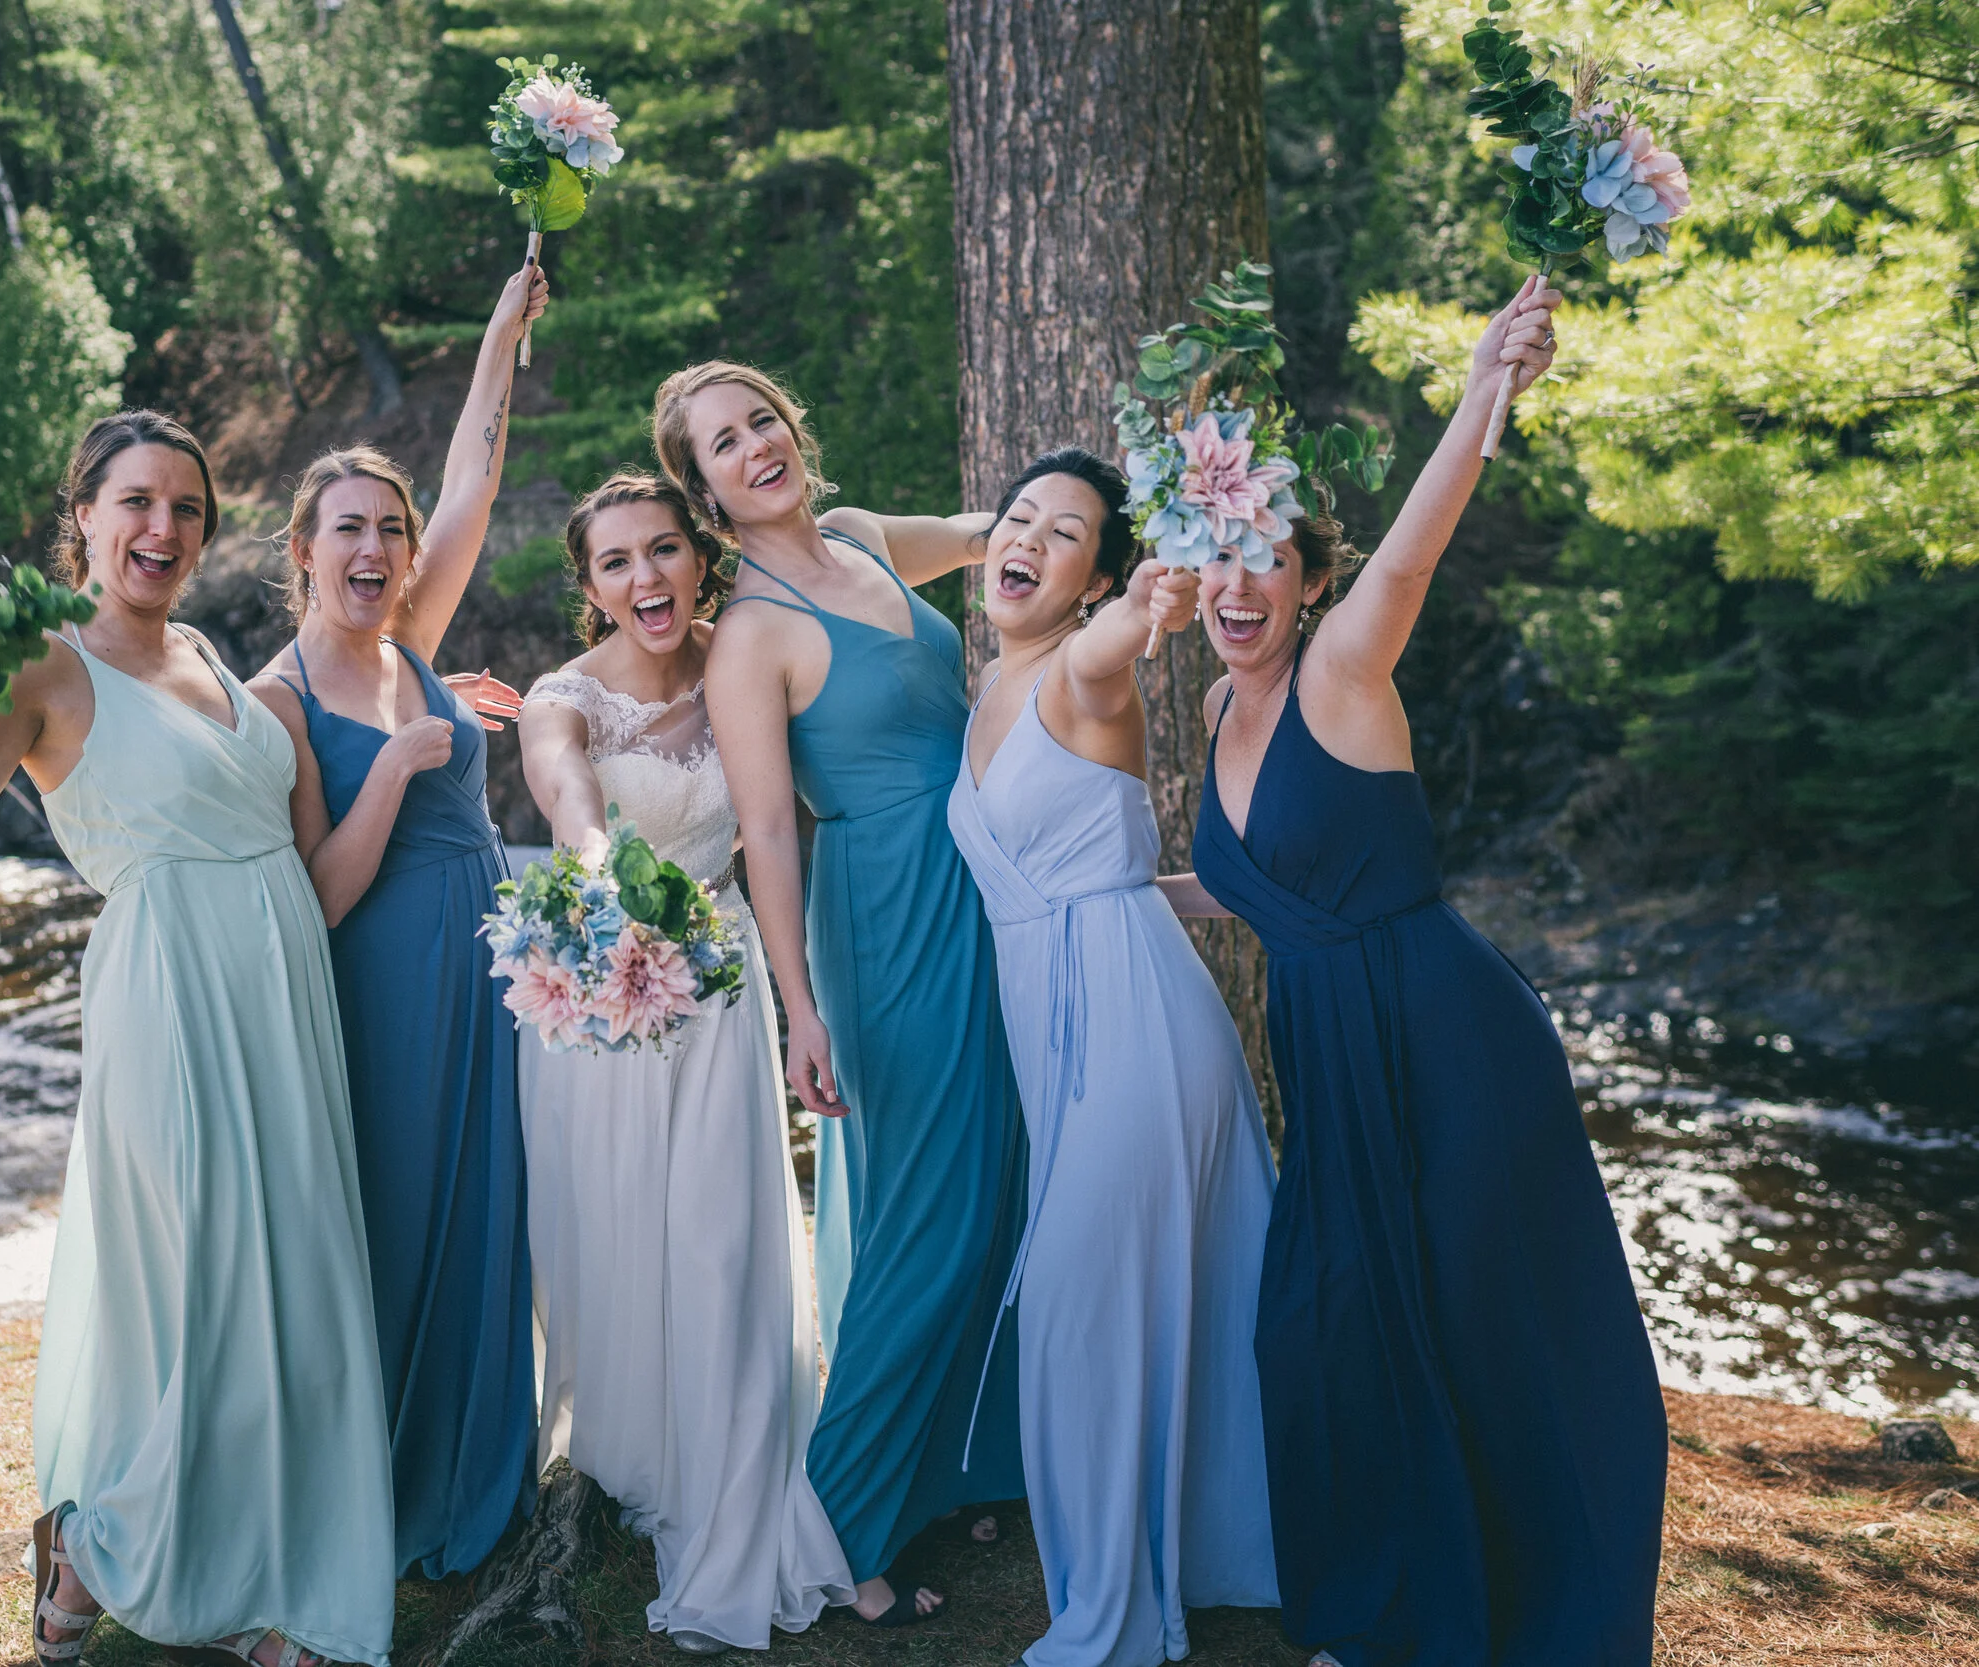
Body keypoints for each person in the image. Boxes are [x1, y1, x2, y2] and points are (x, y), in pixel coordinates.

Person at [0, 411, 393, 1667]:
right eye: (136, 501)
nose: (163, 529)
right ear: (79, 513)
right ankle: (98, 1546)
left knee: (285, 1275)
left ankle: (263, 1572)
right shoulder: (34, 665)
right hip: (170, 990)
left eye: (186, 509)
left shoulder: (202, 647)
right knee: (197, 1285)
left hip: (281, 986)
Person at [1180, 276, 1666, 1665]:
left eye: (1270, 554)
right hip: (1332, 1059)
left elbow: (1411, 552)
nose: (1238, 579)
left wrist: (1480, 394)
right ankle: (1392, 1604)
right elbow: (1250, 884)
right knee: (1324, 1328)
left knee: (1490, 1325)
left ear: (1310, 581)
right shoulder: (1221, 703)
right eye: (1221, 548)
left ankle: (1541, 1615)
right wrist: (1079, 904)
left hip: (1449, 1036)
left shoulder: (1344, 666)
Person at [668, 362, 1023, 1627]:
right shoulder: (749, 634)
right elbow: (768, 828)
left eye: (761, 418)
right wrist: (797, 1010)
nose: (755, 444)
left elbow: (1004, 536)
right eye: (722, 442)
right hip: (885, 913)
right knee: (930, 1212)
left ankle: (963, 1463)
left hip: (991, 884)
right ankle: (839, 1520)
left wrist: (1125, 510)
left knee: (1002, 1180)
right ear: (702, 489)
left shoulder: (868, 537)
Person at [948, 447, 1281, 1666]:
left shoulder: (1088, 671)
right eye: (1017, 516)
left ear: (1094, 580)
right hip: (1063, 1028)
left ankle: (1109, 1618)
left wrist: (1152, 605)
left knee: (1082, 1309)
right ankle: (1207, 1557)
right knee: (1149, 1298)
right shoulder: (989, 675)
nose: (1027, 538)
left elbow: (1124, 638)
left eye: (1067, 532)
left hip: (1137, 1031)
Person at [514, 473, 857, 1655]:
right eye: (616, 562)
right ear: (589, 585)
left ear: (700, 556)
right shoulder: (565, 697)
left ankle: (729, 1447)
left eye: (664, 550)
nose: (646, 578)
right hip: (604, 985)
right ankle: (627, 1449)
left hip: (719, 988)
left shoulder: (747, 655)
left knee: (717, 1229)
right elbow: (564, 784)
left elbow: (773, 828)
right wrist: (598, 860)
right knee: (612, 1225)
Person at [244, 264, 546, 1581]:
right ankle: (383, 1490)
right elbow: (314, 891)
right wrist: (400, 759)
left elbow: (474, 479)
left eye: (390, 530)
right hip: (383, 986)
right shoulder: (276, 693)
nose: (373, 549)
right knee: (403, 1220)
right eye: (346, 529)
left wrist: (497, 340)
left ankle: (485, 1475)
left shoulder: (413, 631)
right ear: (302, 550)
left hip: (489, 965)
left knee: (493, 1213)